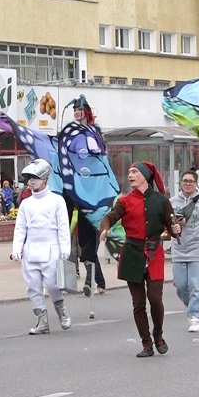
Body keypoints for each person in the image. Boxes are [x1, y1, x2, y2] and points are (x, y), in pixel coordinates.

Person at [100, 162, 180, 357]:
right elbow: (110, 217)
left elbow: (171, 225)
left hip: (154, 254)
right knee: (138, 303)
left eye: (134, 172)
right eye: (129, 172)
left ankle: (158, 335)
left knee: (155, 299)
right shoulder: (125, 201)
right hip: (132, 254)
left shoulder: (161, 201)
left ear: (145, 175)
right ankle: (146, 344)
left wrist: (176, 229)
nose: (130, 175)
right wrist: (105, 227)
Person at [12, 159, 71, 335]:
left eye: (35, 177)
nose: (32, 181)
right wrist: (16, 247)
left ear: (45, 178)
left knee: (53, 285)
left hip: (51, 249)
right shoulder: (26, 204)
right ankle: (42, 321)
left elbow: (63, 227)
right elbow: (20, 228)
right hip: (31, 250)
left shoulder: (57, 200)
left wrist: (65, 249)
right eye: (29, 178)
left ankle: (61, 312)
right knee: (33, 286)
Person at [60, 96, 109, 295]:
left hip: (91, 187)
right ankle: (95, 280)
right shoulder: (71, 133)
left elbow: (98, 154)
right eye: (75, 111)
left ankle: (91, 279)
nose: (77, 113)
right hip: (74, 185)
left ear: (86, 112)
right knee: (78, 237)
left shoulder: (93, 132)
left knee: (89, 237)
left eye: (80, 110)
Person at [170, 170, 199, 332]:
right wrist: (172, 227)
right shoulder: (172, 202)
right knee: (181, 285)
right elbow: (165, 226)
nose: (187, 183)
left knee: (196, 286)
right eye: (185, 181)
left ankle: (195, 316)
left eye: (191, 181)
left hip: (198, 249)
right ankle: (191, 307)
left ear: (196, 183)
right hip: (179, 249)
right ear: (181, 183)